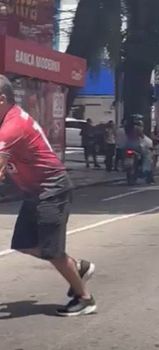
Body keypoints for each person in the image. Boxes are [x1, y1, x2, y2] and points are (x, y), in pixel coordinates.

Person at [0, 75, 96, 316]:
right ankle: (77, 267)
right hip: (35, 191)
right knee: (23, 244)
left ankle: (85, 298)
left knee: (52, 250)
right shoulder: (7, 119)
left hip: (53, 189)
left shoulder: (13, 126)